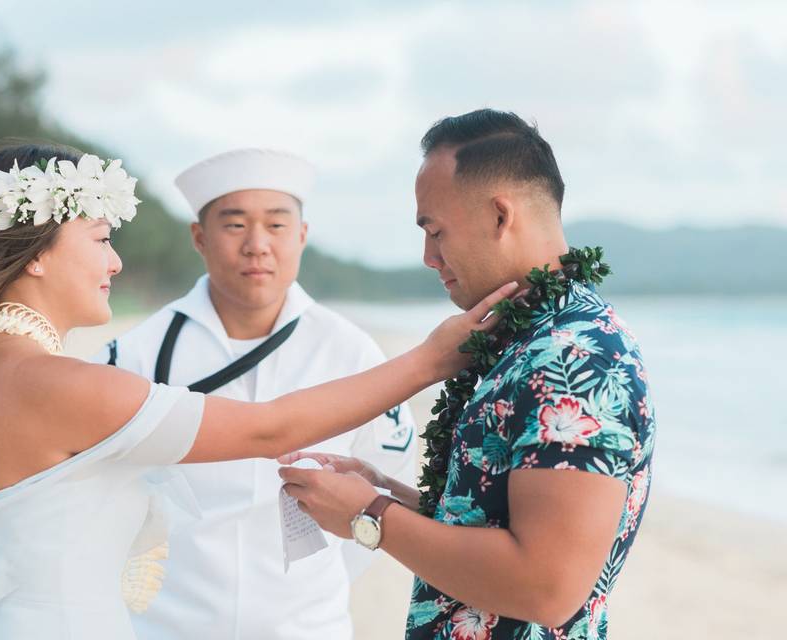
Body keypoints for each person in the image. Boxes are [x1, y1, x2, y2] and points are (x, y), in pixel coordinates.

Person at [0, 142, 515, 640]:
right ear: (35, 252)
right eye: (101, 239)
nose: (115, 261)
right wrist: (431, 358)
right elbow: (267, 431)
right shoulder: (50, 382)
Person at [279, 109, 656, 639]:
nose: (428, 256)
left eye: (435, 230)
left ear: (501, 216)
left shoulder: (576, 356)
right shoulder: (527, 338)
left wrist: (371, 516)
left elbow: (546, 587)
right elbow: (491, 527)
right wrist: (384, 489)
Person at [94, 148, 417, 640]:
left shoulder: (353, 354)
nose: (257, 245)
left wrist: (305, 594)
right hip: (163, 627)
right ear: (199, 237)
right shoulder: (136, 353)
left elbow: (385, 482)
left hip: (309, 628)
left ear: (303, 236)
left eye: (277, 225)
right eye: (235, 225)